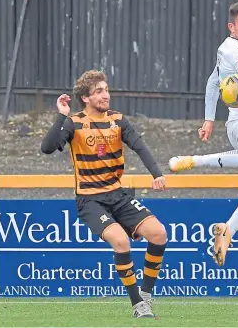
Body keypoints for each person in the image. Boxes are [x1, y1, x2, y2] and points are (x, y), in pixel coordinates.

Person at [41, 70, 167, 318]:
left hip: (117, 195)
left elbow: (140, 146)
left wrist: (157, 174)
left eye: (106, 90)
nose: (105, 95)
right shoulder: (74, 122)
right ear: (85, 98)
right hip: (90, 200)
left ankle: (146, 294)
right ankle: (137, 306)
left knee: (159, 233)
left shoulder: (118, 120)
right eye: (98, 91)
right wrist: (61, 116)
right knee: (121, 241)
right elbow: (46, 148)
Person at [168, 0, 238, 267]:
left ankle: (227, 230)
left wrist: (208, 119)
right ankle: (195, 160)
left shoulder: (224, 49)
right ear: (231, 26)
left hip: (235, 124)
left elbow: (213, 82)